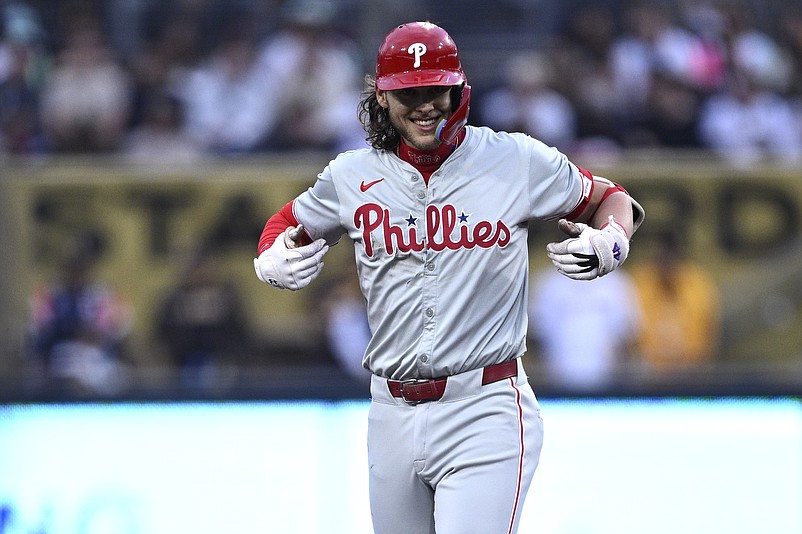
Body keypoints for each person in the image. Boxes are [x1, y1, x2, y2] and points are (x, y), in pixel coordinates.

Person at [252, 22, 644, 534]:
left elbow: (614, 200)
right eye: (407, 92)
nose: (424, 104)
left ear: (458, 89)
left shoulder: (514, 159)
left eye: (435, 89)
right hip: (389, 410)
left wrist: (612, 239)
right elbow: (286, 226)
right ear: (383, 97)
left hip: (484, 404)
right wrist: (269, 258)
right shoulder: (351, 175)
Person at [529, 265, 641, 392]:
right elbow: (536, 344)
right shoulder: (547, 283)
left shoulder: (617, 283)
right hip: (556, 391)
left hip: (608, 391)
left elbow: (628, 342)